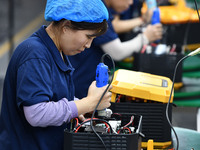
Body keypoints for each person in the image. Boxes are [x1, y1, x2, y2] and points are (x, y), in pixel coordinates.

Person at [0, 0, 112, 150]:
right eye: (88, 37)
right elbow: (36, 113)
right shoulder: (34, 53)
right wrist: (87, 103)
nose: (88, 45)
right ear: (66, 26)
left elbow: (53, 95)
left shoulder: (56, 51)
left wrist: (80, 106)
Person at [69, 0, 163, 99]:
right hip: (82, 86)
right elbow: (117, 52)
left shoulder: (103, 9)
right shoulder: (96, 12)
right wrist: (145, 37)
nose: (131, 2)